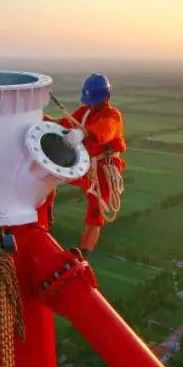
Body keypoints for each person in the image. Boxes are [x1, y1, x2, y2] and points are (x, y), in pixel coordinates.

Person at [56, 73, 126, 257]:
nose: (93, 104)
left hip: (103, 171)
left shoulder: (113, 115)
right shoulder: (85, 111)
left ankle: (84, 253)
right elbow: (64, 123)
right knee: (51, 177)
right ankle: (47, 217)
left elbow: (106, 129)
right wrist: (38, 119)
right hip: (85, 167)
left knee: (95, 214)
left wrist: (83, 133)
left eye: (96, 101)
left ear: (107, 97)